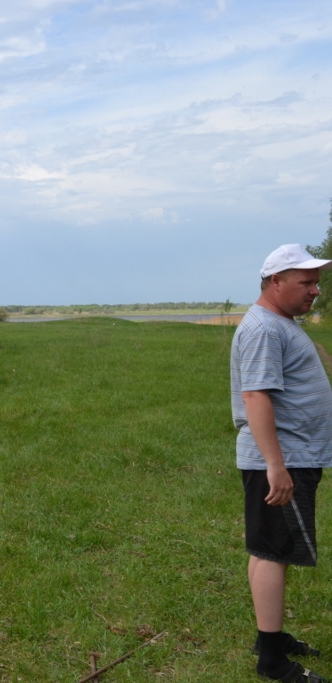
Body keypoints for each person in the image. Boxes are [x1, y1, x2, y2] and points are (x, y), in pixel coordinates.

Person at [231, 244, 332, 683]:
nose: (315, 290)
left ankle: (268, 638)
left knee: (266, 549)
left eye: (316, 282)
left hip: (287, 457)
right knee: (274, 552)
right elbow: (255, 396)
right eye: (306, 282)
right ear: (276, 282)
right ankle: (272, 661)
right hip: (282, 460)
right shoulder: (264, 329)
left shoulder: (277, 323)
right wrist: (276, 465)